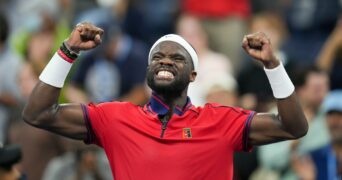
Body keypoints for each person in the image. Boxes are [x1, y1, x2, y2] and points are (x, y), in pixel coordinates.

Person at [22, 22, 308, 179]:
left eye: (176, 58)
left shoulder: (221, 120)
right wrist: (67, 51)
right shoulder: (114, 118)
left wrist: (273, 66)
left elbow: (292, 127)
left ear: (193, 74)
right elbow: (38, 113)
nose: (165, 62)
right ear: (148, 70)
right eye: (157, 57)